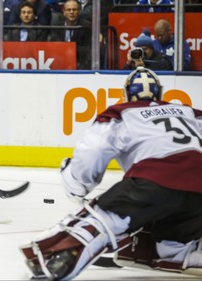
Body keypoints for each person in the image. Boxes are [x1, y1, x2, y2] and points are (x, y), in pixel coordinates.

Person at [20, 66, 202, 280]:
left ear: (126, 93)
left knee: (100, 221)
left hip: (154, 180)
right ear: (160, 92)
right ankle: (179, 252)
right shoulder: (191, 113)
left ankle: (54, 263)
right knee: (172, 247)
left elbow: (94, 151)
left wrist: (76, 186)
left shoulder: (120, 113)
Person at [50, 0, 91, 69]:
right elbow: (53, 45)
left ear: (79, 11)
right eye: (69, 10)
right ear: (64, 12)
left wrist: (71, 48)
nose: (72, 12)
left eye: (74, 9)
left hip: (79, 63)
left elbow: (88, 50)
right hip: (60, 61)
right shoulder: (57, 26)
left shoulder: (86, 26)